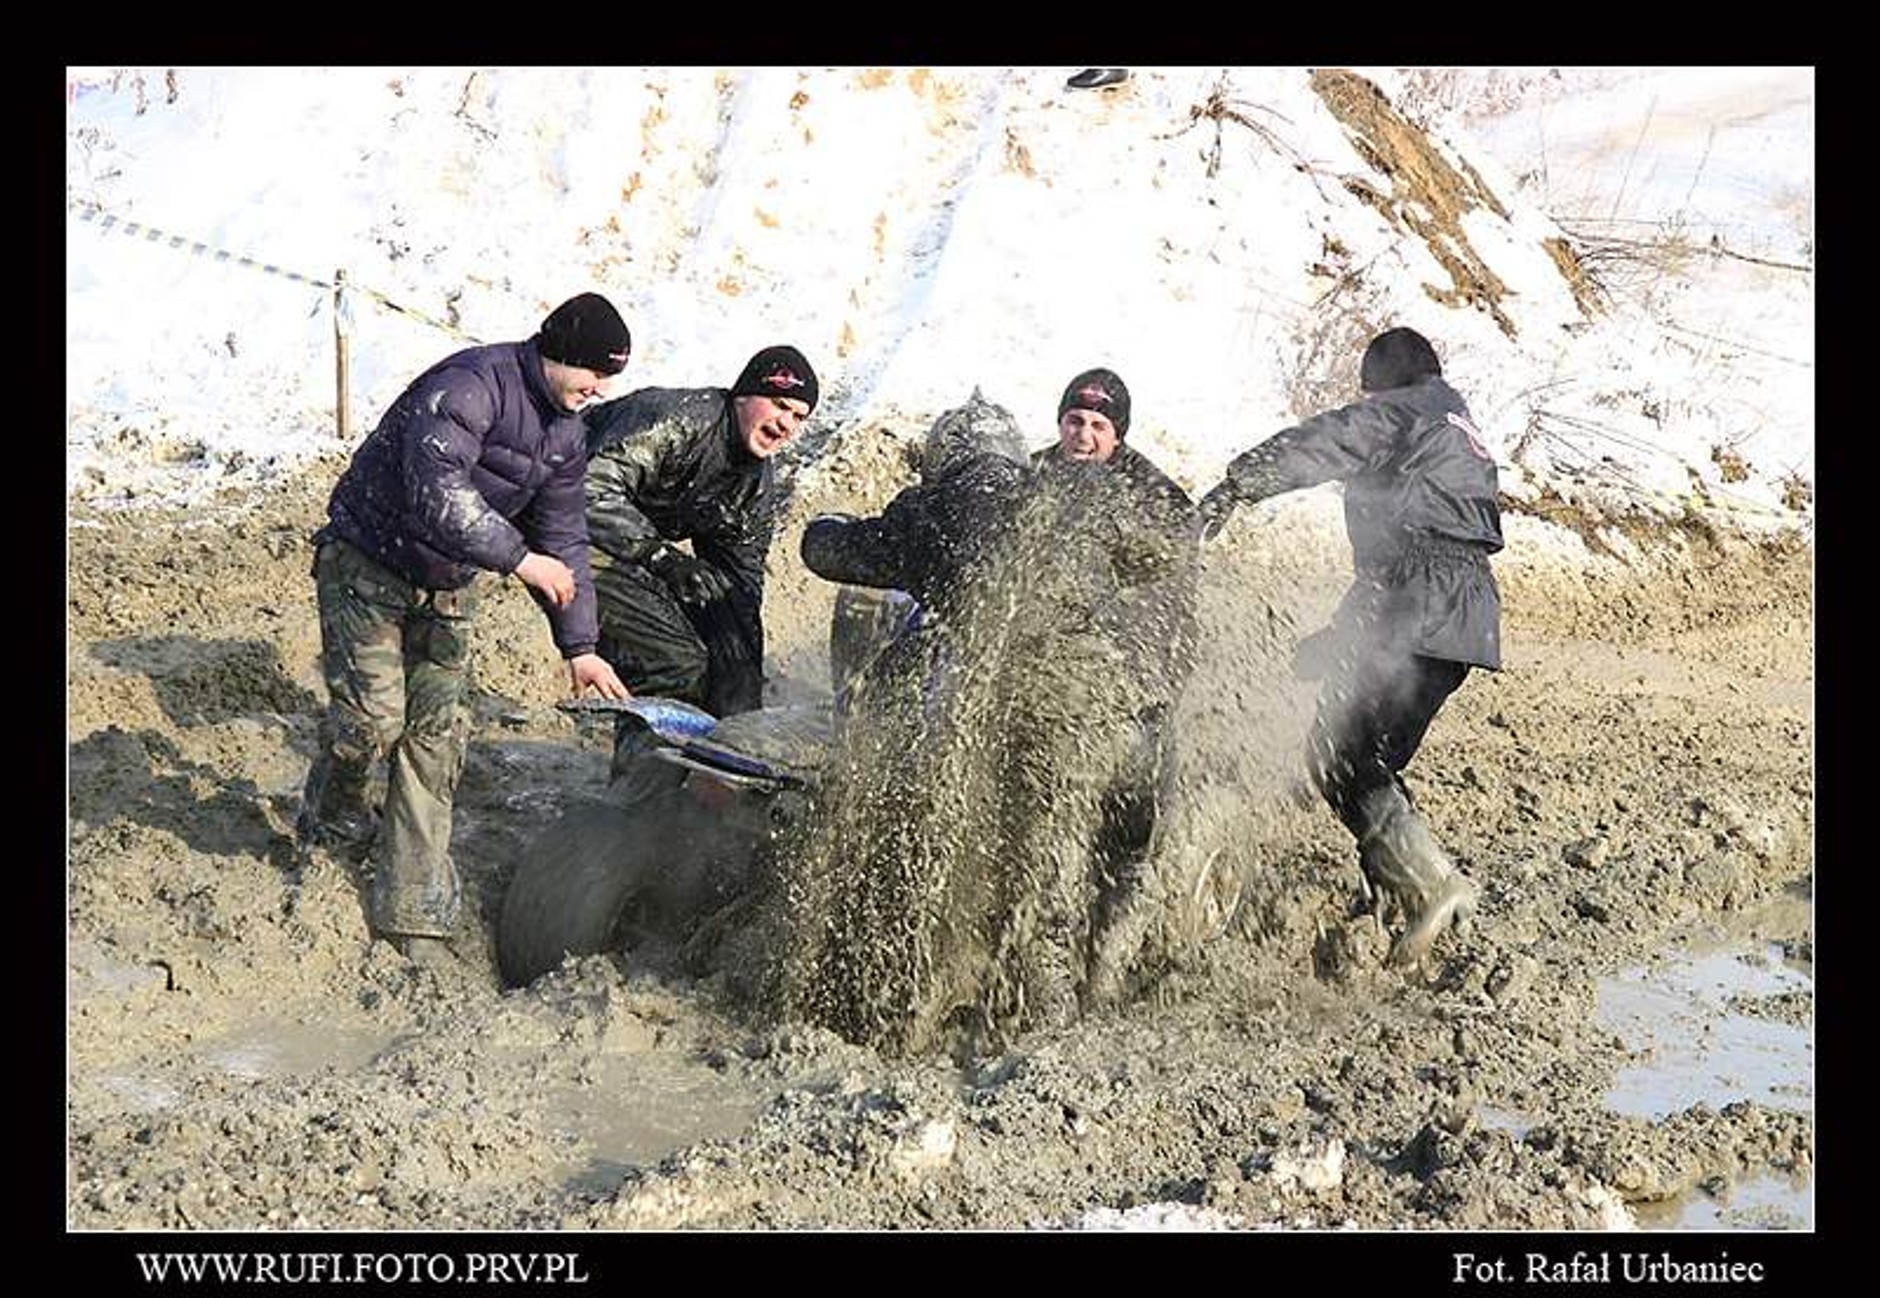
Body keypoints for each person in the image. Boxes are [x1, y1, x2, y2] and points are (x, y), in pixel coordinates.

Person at [295, 292, 633, 967]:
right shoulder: (471, 386)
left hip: (448, 583)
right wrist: (518, 558)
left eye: (610, 380)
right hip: (368, 563)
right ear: (556, 351)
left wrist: (582, 646)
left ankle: (414, 909)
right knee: (371, 725)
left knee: (437, 737)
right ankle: (331, 825)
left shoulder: (567, 433)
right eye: (593, 372)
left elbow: (563, 536)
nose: (599, 390)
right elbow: (435, 493)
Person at [1196, 326, 1500, 966]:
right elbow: (1413, 551)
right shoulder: (1454, 424)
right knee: (1369, 762)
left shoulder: (1402, 410)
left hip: (1418, 601)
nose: (1364, 400)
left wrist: (1238, 483)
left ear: (1386, 381)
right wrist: (1341, 638)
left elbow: (1327, 441)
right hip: (1465, 613)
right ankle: (1406, 902)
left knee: (1339, 758)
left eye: (1367, 390)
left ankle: (1434, 888)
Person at [1022, 366, 1200, 1012]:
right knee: (1056, 835)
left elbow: (1172, 599)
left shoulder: (1153, 499)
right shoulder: (1033, 478)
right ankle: (1052, 981)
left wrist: (1138, 674)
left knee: (1131, 833)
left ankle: (1111, 965)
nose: (1083, 434)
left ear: (1118, 435)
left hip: (1137, 689)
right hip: (1050, 692)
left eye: (1098, 425)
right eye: (1075, 420)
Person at [581, 345, 818, 719]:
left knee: (722, 641)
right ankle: (641, 777)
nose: (787, 423)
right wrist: (660, 556)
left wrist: (740, 725)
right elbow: (587, 490)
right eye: (778, 404)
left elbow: (739, 596)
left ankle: (708, 763)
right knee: (675, 663)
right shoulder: (677, 421)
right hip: (550, 518)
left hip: (625, 545)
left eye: (798, 416)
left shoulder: (753, 485)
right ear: (742, 396)